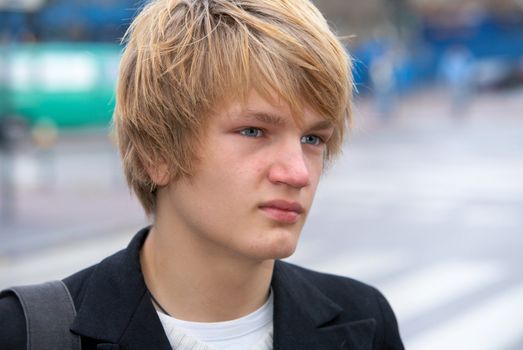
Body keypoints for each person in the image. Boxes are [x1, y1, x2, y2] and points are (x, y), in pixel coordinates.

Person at [0, 0, 405, 349]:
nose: (298, 172)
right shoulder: (27, 332)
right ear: (157, 152)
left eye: (313, 139)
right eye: (253, 131)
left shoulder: (365, 322)